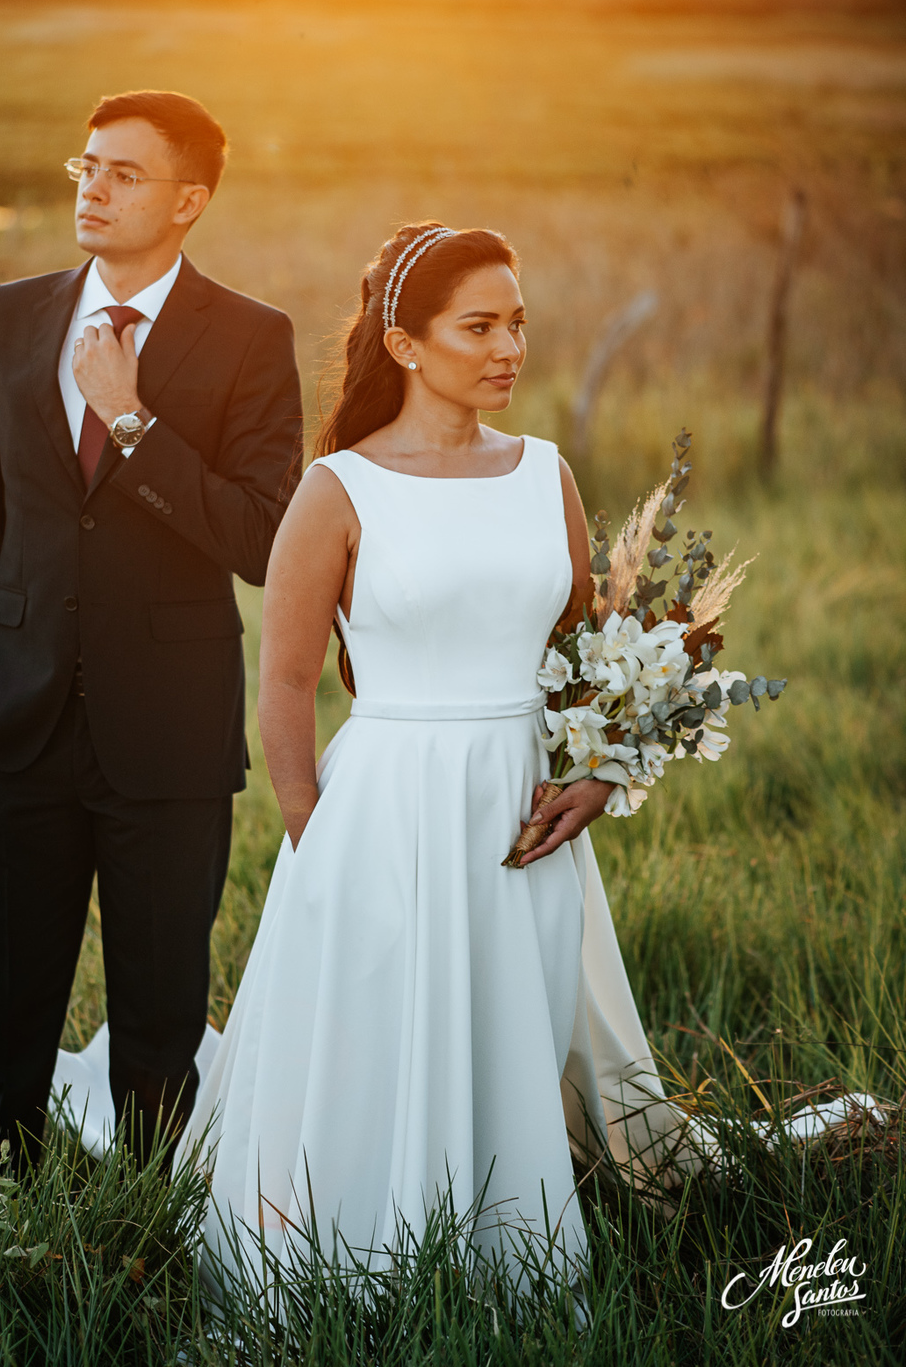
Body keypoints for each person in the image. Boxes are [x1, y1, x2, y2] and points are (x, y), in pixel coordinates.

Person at [177, 221, 674, 1283]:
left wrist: (600, 770)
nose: (509, 349)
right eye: (479, 326)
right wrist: (318, 839)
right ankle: (369, 1249)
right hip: (383, 811)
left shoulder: (547, 473)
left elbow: (591, 652)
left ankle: (513, 1239)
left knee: (509, 1031)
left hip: (521, 814)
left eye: (519, 324)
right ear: (405, 345)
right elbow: (285, 683)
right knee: (378, 1042)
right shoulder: (339, 490)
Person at [0, 88, 303, 1170]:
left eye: (123, 173)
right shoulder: (15, 313)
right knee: (6, 1004)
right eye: (85, 166)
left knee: (158, 1014)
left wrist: (133, 421)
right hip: (18, 720)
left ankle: (147, 1220)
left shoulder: (250, 338)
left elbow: (264, 539)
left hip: (169, 733)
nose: (92, 187)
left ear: (190, 200)